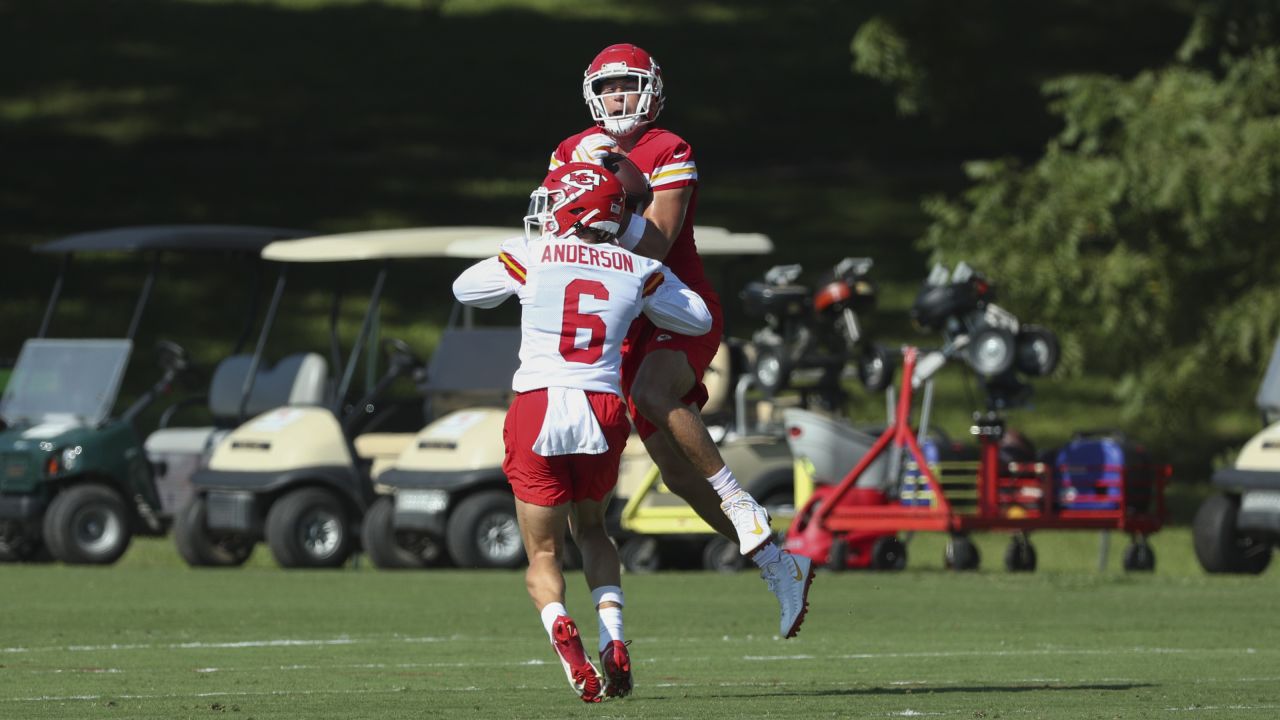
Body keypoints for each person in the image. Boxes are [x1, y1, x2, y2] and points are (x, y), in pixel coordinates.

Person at [547, 43, 814, 638]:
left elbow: (659, 241)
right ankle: (779, 561)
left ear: (651, 89)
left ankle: (740, 500)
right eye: (609, 86)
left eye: (627, 84)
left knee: (652, 390)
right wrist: (577, 184)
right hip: (614, 317)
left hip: (673, 300)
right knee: (671, 471)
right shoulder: (569, 150)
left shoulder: (669, 148)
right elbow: (553, 227)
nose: (618, 96)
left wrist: (612, 182)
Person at [453, 162, 712, 702]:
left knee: (543, 555)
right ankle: (613, 638)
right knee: (592, 531)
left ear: (575, 207)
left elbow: (465, 289)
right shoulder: (635, 267)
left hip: (539, 401)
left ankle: (560, 631)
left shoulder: (532, 255)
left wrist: (521, 259)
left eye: (552, 202)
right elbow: (697, 319)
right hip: (602, 406)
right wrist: (646, 279)